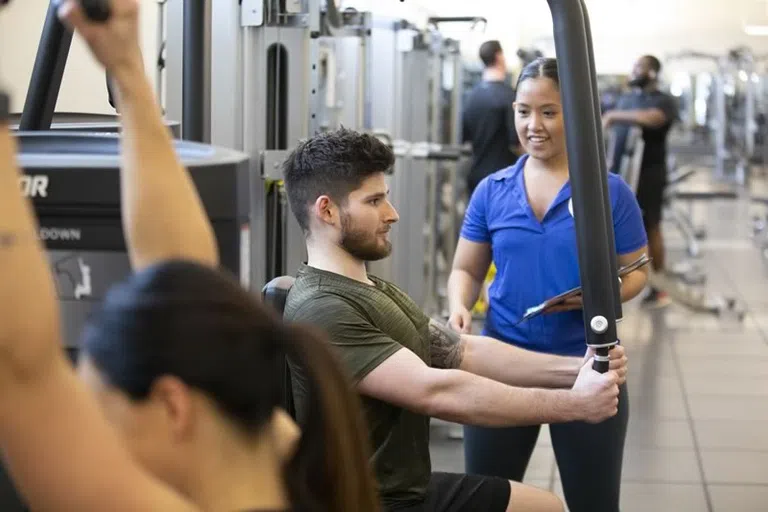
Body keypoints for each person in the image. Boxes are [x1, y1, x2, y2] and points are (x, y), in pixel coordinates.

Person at [0, 1, 381, 511]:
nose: (100, 440)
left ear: (173, 406)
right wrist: (126, 68)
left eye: (105, 418)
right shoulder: (279, 451)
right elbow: (184, 283)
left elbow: (22, 364)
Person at [280, 126, 630, 512]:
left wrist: (575, 369)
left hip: (403, 486)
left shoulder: (370, 288)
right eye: (374, 201)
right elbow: (436, 391)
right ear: (327, 210)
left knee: (543, 506)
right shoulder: (323, 306)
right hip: (368, 499)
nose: (391, 214)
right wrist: (575, 405)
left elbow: (460, 351)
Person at [446, 57, 650, 512]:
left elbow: (637, 271)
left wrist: (598, 297)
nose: (532, 125)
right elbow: (466, 270)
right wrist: (459, 304)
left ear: (574, 113)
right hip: (504, 367)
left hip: (588, 366)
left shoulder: (609, 191)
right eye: (523, 111)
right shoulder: (491, 190)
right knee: (485, 499)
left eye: (548, 112)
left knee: (593, 503)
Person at [603, 55, 678, 309]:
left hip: (650, 175)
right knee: (613, 228)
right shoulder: (627, 98)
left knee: (651, 226)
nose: (634, 71)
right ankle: (618, 281)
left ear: (652, 73)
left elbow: (655, 118)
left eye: (639, 68)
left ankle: (659, 289)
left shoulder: (662, 101)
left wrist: (615, 115)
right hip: (621, 174)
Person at [462, 40, 521, 197]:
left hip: (476, 178)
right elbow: (516, 143)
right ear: (499, 57)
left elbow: (464, 137)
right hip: (502, 179)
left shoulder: (471, 97)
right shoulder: (509, 96)